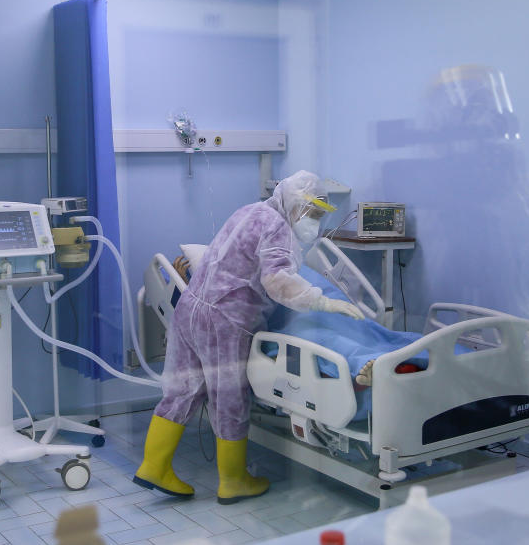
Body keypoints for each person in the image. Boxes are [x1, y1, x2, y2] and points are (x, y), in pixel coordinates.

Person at [133, 171, 363, 505]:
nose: (313, 221)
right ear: (295, 202)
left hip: (191, 308)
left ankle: (154, 466)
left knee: (184, 389)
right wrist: (321, 300)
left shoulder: (249, 212)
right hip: (226, 320)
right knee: (229, 396)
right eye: (311, 213)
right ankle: (233, 480)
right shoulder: (276, 227)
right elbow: (277, 281)